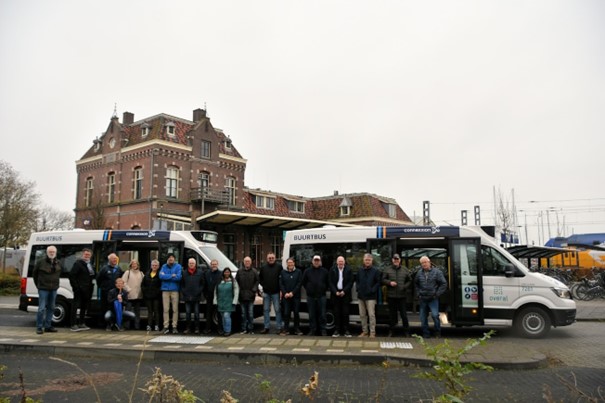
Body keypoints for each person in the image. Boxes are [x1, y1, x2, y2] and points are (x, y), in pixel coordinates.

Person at [415, 255, 447, 338]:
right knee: (422, 317)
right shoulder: (419, 273)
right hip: (423, 298)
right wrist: (418, 293)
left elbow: (443, 284)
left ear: (429, 262)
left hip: (433, 298)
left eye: (425, 262)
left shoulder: (437, 272)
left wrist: (437, 294)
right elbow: (416, 284)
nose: (424, 264)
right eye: (422, 263)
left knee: (435, 315)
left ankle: (437, 332)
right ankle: (426, 333)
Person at [33, 245, 62, 334]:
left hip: (53, 289)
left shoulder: (58, 262)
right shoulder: (40, 262)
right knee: (41, 308)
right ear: (47, 252)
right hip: (43, 289)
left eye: (53, 252)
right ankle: (39, 327)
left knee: (52, 308)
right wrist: (38, 286)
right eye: (50, 252)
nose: (52, 253)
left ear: (55, 253)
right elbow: (35, 274)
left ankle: (48, 326)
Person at [382, 253, 412, 337]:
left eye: (397, 259)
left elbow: (410, 280)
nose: (396, 260)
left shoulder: (405, 269)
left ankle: (406, 332)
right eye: (394, 259)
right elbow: (383, 279)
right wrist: (389, 282)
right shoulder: (387, 269)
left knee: (404, 315)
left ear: (400, 260)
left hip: (402, 296)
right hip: (391, 296)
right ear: (392, 260)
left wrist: (404, 286)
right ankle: (391, 331)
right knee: (392, 315)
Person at [302, 255, 329, 336]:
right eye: (315, 260)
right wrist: (309, 289)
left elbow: (328, 282)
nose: (316, 262)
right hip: (311, 296)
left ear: (320, 262)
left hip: (321, 296)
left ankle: (323, 330)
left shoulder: (325, 271)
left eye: (318, 260)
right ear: (312, 261)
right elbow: (303, 282)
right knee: (311, 314)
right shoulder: (307, 271)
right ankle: (312, 330)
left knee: (322, 314)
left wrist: (323, 288)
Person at [68, 248, 95, 332]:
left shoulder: (89, 264)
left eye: (88, 255)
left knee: (84, 306)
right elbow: (72, 276)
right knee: (75, 306)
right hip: (79, 289)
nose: (87, 256)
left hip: (87, 289)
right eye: (85, 254)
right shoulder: (78, 264)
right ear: (82, 255)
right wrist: (76, 287)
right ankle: (73, 324)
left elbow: (92, 275)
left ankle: (81, 323)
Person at [356, 253, 381, 338]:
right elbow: (357, 281)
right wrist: (358, 289)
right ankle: (365, 331)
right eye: (366, 260)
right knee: (362, 315)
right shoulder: (360, 270)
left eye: (369, 260)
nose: (367, 261)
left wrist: (372, 290)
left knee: (371, 315)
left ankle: (372, 332)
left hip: (371, 297)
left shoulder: (376, 271)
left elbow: (378, 282)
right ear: (364, 260)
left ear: (371, 261)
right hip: (361, 296)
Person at [328, 256, 354, 338]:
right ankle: (337, 330)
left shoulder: (349, 270)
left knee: (345, 313)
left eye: (342, 261)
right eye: (339, 261)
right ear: (337, 262)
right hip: (335, 294)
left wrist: (344, 291)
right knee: (336, 313)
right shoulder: (332, 269)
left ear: (344, 262)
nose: (340, 263)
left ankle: (346, 330)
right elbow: (330, 282)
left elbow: (351, 282)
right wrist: (335, 291)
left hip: (345, 294)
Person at [259, 253, 283, 334]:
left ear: (275, 258)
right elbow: (260, 279)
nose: (271, 259)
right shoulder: (263, 267)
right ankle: (266, 327)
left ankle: (279, 327)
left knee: (277, 310)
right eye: (269, 258)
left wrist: (280, 289)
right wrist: (264, 285)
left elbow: (282, 279)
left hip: (276, 292)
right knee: (266, 310)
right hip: (266, 292)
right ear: (267, 259)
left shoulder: (279, 267)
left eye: (272, 257)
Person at [96, 253, 123, 328]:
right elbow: (98, 279)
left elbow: (120, 279)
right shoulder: (104, 269)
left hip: (115, 293)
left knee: (114, 308)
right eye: (113, 258)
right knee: (104, 308)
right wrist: (102, 287)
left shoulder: (118, 269)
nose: (115, 260)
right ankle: (104, 324)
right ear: (109, 260)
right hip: (106, 292)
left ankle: (114, 323)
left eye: (115, 258)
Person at [159, 253, 182, 334]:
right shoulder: (163, 266)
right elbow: (161, 276)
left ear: (174, 259)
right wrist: (172, 275)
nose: (171, 259)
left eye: (172, 258)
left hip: (175, 290)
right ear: (167, 259)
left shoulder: (178, 266)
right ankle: (166, 326)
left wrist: (166, 276)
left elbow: (179, 277)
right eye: (169, 258)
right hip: (165, 290)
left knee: (175, 309)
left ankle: (174, 326)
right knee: (166, 309)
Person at [279, 257, 303, 336]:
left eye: (291, 262)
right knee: (286, 313)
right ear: (287, 264)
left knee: (296, 313)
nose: (290, 264)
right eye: (288, 263)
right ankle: (286, 329)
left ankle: (297, 329)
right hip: (286, 297)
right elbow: (281, 284)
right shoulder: (283, 272)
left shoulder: (298, 272)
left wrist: (292, 293)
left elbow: (299, 283)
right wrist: (285, 293)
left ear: (294, 263)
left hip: (295, 296)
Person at [236, 256, 259, 334]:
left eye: (248, 261)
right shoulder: (239, 271)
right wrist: (238, 292)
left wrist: (254, 290)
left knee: (251, 314)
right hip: (242, 296)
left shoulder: (254, 271)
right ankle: (244, 329)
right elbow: (236, 282)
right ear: (243, 262)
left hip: (251, 296)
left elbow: (257, 281)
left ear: (251, 262)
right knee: (243, 314)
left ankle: (251, 329)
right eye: (246, 261)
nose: (247, 263)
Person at [213, 267, 239, 337]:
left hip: (229, 302)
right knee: (222, 317)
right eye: (225, 272)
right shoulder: (219, 281)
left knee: (226, 316)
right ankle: (224, 330)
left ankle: (228, 330)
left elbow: (236, 291)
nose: (226, 273)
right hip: (220, 302)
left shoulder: (233, 281)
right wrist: (215, 301)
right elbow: (216, 292)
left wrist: (235, 301)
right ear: (223, 273)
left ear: (230, 273)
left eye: (228, 272)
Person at [181, 258, 204, 334]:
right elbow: (182, 284)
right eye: (190, 263)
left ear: (195, 264)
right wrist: (185, 292)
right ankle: (188, 328)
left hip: (196, 296)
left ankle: (197, 328)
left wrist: (198, 291)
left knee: (197, 314)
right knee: (188, 314)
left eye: (193, 263)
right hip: (187, 297)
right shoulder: (184, 273)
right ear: (188, 264)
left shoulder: (200, 273)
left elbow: (202, 284)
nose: (191, 264)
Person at [122, 259, 145, 330]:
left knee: (137, 312)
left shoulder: (141, 273)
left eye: (136, 264)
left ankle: (137, 326)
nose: (134, 265)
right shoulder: (127, 272)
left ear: (138, 265)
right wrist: (128, 289)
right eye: (133, 264)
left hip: (138, 296)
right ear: (131, 265)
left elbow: (144, 283)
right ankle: (126, 326)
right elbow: (123, 282)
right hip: (129, 296)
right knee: (128, 311)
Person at [203, 259, 223, 335]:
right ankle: (207, 329)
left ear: (217, 265)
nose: (214, 265)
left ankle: (220, 329)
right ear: (210, 265)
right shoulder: (207, 273)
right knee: (208, 313)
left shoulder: (221, 274)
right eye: (212, 264)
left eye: (215, 264)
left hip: (218, 296)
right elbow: (204, 284)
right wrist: (205, 294)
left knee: (219, 313)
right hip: (209, 296)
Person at [141, 259, 162, 332]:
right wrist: (145, 291)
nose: (154, 267)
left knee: (156, 311)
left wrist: (157, 292)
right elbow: (143, 285)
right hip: (148, 296)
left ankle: (157, 325)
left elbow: (161, 285)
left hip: (156, 296)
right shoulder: (147, 274)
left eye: (156, 265)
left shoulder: (160, 275)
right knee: (150, 311)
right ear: (151, 266)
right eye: (153, 265)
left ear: (158, 266)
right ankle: (149, 325)